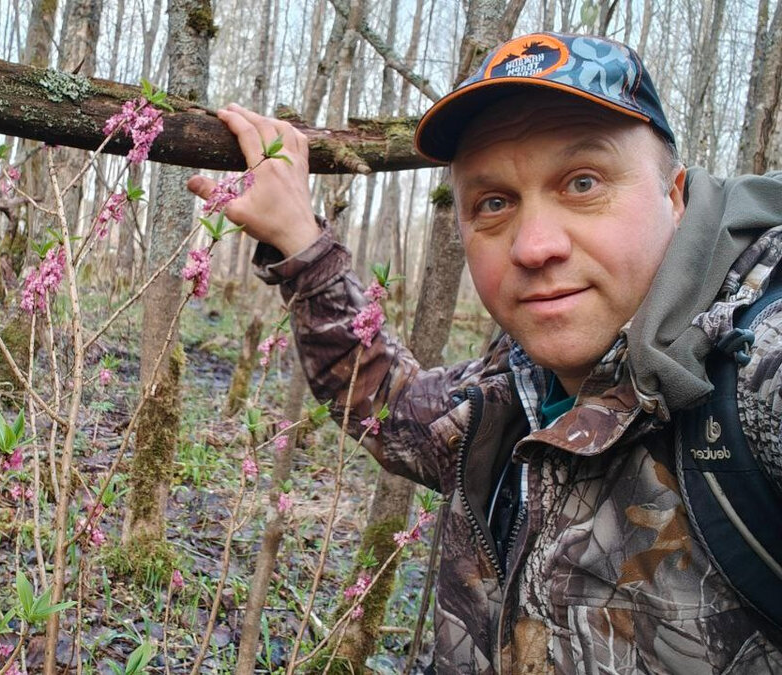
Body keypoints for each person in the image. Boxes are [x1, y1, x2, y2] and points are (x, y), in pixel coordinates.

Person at [189, 32, 782, 672]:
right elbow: (395, 412)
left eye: (583, 181)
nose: (534, 246)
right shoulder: (516, 385)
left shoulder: (757, 362)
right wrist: (302, 244)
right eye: (494, 202)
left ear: (675, 194)